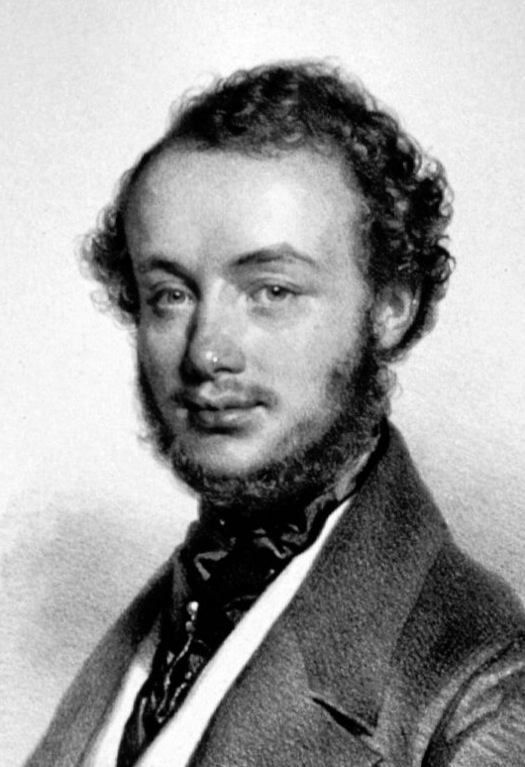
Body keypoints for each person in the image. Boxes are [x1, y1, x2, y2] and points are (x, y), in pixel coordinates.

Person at [26, 61, 525, 767]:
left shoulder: (483, 690)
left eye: (271, 291)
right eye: (170, 295)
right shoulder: (149, 628)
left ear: (390, 304)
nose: (206, 352)